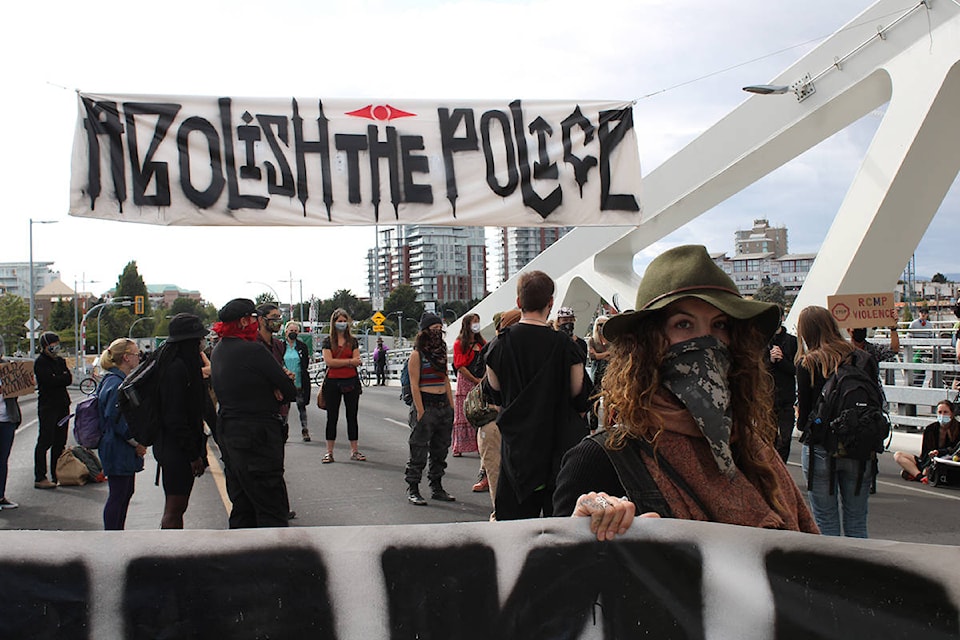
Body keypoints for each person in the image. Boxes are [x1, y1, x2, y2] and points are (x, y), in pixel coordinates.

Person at [553, 245, 818, 541]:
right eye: (683, 324)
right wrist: (582, 525)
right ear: (647, 344)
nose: (706, 340)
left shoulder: (754, 452)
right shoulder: (602, 459)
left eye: (720, 325)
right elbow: (556, 575)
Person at [485, 271, 589, 520]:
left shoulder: (498, 346)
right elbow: (578, 393)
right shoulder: (566, 346)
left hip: (518, 450)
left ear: (519, 302)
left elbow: (495, 393)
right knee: (560, 523)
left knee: (516, 526)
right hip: (558, 445)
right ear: (550, 303)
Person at [212, 298, 297, 528]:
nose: (254, 323)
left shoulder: (218, 350)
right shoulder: (253, 351)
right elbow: (289, 390)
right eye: (252, 319)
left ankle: (242, 558)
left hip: (230, 433)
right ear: (243, 321)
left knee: (242, 505)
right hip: (258, 436)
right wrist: (278, 385)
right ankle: (275, 560)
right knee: (272, 507)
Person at [796, 305, 879, 538]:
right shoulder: (863, 359)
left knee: (825, 520)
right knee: (857, 520)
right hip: (859, 448)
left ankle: (833, 573)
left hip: (821, 449)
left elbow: (803, 423)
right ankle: (859, 571)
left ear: (806, 332)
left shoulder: (808, 364)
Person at [154, 314, 209, 529]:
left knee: (177, 506)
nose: (201, 344)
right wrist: (193, 454)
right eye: (198, 340)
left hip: (173, 447)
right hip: (176, 450)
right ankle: (169, 552)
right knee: (175, 508)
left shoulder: (179, 365)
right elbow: (175, 418)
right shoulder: (176, 369)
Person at [404, 313, 457, 505]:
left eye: (439, 329)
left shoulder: (441, 353)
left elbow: (445, 379)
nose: (437, 333)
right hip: (426, 404)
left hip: (443, 405)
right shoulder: (417, 355)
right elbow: (414, 384)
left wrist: (451, 407)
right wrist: (420, 411)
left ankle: (437, 487)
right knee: (418, 450)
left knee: (440, 450)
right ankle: (413, 488)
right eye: (433, 329)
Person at [474, 308, 521, 517]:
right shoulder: (505, 350)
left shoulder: (496, 348)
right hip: (498, 423)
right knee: (501, 477)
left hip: (496, 422)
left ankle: (501, 519)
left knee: (499, 478)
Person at [96, 339, 147, 530]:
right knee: (118, 494)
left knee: (125, 492)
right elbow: (118, 420)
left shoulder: (116, 380)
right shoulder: (115, 384)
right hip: (117, 447)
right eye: (136, 354)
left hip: (118, 446)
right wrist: (137, 443)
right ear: (126, 357)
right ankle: (113, 535)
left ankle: (117, 532)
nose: (138, 357)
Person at [320, 308, 365, 463]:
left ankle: (354, 450)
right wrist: (349, 362)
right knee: (331, 417)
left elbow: (357, 359)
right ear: (334, 322)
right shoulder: (328, 341)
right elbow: (329, 362)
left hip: (351, 381)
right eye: (339, 321)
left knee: (352, 416)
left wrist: (345, 362)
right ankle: (329, 452)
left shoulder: (352, 341)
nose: (342, 324)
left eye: (344, 321)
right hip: (333, 382)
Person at [33, 332, 72, 489]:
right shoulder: (40, 362)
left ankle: (57, 475)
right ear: (45, 346)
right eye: (53, 344)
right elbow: (48, 380)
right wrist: (58, 378)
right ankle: (40, 476)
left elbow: (68, 379)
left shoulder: (60, 361)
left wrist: (59, 377)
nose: (56, 347)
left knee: (60, 441)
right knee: (45, 440)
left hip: (63, 404)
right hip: (48, 406)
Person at [893, 400, 960, 483]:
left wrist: (938, 452)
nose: (942, 415)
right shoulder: (930, 429)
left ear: (952, 414)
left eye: (945, 412)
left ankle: (917, 474)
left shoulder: (958, 428)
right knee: (898, 455)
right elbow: (925, 452)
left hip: (946, 460)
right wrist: (927, 465)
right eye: (940, 412)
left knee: (907, 471)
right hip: (929, 460)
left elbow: (954, 450)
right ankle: (921, 476)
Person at [452, 313, 485, 458]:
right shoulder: (459, 344)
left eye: (478, 321)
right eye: (474, 322)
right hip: (466, 381)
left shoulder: (481, 343)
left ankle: (479, 444)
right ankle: (458, 446)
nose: (477, 324)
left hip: (479, 380)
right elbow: (460, 366)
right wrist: (474, 380)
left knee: (479, 412)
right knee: (463, 413)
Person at [768, 308, 798, 462]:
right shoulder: (763, 342)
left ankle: (782, 468)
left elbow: (796, 369)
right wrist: (771, 360)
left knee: (785, 439)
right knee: (769, 439)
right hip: (768, 398)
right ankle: (773, 472)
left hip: (787, 399)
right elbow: (758, 369)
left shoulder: (792, 342)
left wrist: (781, 360)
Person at [0, 336, 22, 509]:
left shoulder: (8, 367)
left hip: (7, 419)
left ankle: (1, 495)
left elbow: (16, 392)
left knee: (3, 459)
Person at [283, 321, 311, 443]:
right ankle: (283, 431)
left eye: (295, 331)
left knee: (301, 407)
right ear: (286, 332)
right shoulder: (281, 346)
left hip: (299, 382)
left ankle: (305, 430)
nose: (293, 333)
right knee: (284, 409)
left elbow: (305, 363)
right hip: (285, 382)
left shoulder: (302, 346)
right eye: (291, 331)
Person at [586, 315, 611, 432]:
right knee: (594, 400)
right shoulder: (592, 340)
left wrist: (599, 355)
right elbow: (592, 356)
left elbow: (615, 354)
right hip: (597, 373)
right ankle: (593, 428)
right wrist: (606, 355)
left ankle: (608, 425)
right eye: (600, 324)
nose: (602, 327)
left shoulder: (612, 340)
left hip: (610, 373)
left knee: (610, 400)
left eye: (604, 324)